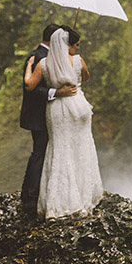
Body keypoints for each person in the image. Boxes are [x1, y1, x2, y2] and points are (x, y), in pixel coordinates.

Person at [24, 26, 104, 219]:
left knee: (60, 148)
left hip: (59, 109)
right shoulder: (77, 60)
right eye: (76, 45)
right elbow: (85, 77)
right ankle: (84, 196)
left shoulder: (44, 64)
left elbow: (29, 85)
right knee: (82, 147)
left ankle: (61, 201)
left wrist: (28, 67)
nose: (77, 48)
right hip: (79, 105)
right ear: (67, 45)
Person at [19, 24, 77, 216]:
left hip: (49, 114)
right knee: (40, 153)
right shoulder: (40, 57)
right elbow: (32, 89)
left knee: (40, 153)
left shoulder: (46, 56)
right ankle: (31, 198)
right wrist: (57, 92)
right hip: (39, 114)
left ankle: (29, 193)